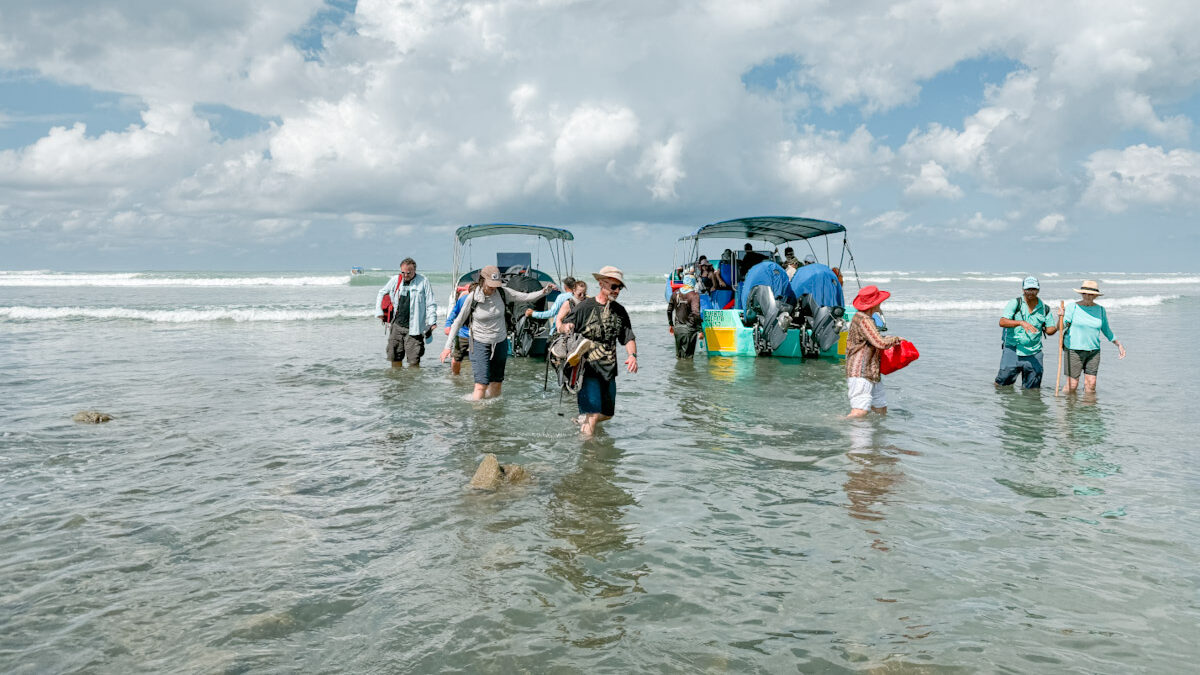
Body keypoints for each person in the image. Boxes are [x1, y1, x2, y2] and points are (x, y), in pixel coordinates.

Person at [441, 265, 555, 400]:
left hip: (500, 342)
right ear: (482, 280)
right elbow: (458, 322)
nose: (493, 288)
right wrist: (447, 347)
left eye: (495, 284)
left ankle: (494, 415)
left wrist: (544, 291)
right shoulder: (472, 298)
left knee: (497, 383)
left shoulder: (502, 292)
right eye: (490, 285)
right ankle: (478, 415)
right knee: (481, 384)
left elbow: (525, 297)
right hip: (479, 343)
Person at [561, 266, 637, 437]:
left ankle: (584, 422)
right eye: (613, 287)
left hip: (609, 370)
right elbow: (563, 325)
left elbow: (628, 337)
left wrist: (632, 356)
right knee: (593, 414)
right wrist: (566, 326)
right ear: (601, 284)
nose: (617, 291)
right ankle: (589, 456)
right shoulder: (585, 307)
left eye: (619, 288)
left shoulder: (620, 311)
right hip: (587, 368)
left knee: (608, 414)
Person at [845, 285, 903, 418]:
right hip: (861, 371)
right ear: (874, 304)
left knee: (880, 407)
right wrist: (896, 339)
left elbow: (873, 339)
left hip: (870, 371)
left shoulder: (860, 317)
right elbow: (880, 343)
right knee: (860, 411)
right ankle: (839, 425)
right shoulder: (865, 320)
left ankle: (877, 435)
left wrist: (890, 339)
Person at [1059, 280, 1126, 394]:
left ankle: (1088, 410)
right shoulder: (1072, 307)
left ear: (1095, 295)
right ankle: (1066, 408)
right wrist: (1060, 317)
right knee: (1072, 385)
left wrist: (1118, 344)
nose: (1087, 296)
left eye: (1090, 294)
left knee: (1091, 385)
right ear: (1081, 293)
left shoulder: (1100, 310)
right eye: (1085, 293)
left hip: (1093, 351)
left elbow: (1106, 330)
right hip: (1074, 350)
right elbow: (1060, 327)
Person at [994, 276, 1059, 389]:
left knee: (1033, 389)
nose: (1031, 292)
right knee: (1002, 384)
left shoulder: (1045, 309)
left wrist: (1059, 325)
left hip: (1034, 352)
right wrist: (1021, 323)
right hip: (1013, 349)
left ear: (1038, 290)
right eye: (1028, 289)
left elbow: (1049, 331)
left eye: (1033, 289)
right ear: (1023, 290)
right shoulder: (1015, 303)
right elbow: (1002, 321)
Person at [374, 257, 437, 367]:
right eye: (403, 272)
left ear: (414, 270)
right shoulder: (396, 280)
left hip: (415, 329)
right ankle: (398, 383)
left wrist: (432, 322)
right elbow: (381, 293)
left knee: (414, 362)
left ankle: (413, 384)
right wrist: (379, 311)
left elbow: (431, 303)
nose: (405, 275)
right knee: (394, 359)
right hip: (396, 326)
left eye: (408, 272)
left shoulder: (423, 281)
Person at [668, 272, 702, 358]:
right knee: (688, 358)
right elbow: (696, 313)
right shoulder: (694, 295)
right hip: (689, 330)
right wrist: (700, 330)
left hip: (678, 329)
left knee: (679, 356)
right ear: (693, 282)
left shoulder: (675, 293)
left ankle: (679, 371)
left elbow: (669, 311)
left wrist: (671, 324)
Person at [444, 284, 475, 375]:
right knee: (455, 360)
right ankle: (455, 377)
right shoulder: (463, 299)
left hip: (477, 335)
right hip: (462, 333)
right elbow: (454, 313)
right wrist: (448, 325)